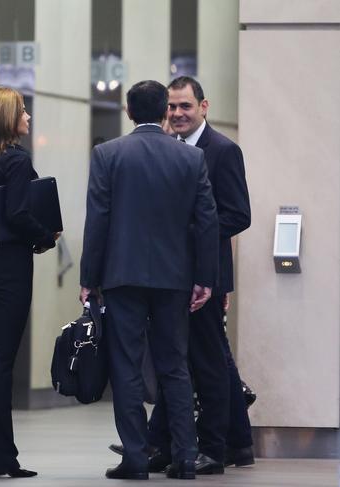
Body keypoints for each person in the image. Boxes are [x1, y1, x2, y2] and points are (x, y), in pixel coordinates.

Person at [80, 80, 219, 480]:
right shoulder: (191, 160)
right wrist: (205, 278)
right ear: (164, 114)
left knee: (126, 367)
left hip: (122, 277)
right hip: (175, 278)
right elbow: (206, 222)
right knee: (174, 366)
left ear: (128, 112)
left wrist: (90, 277)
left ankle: (136, 459)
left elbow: (98, 219)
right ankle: (186, 457)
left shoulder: (108, 154)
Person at [142, 76, 252, 474]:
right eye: (171, 107)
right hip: (169, 276)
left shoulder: (223, 151)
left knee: (207, 365)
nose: (177, 114)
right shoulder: (167, 149)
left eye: (185, 106)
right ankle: (164, 443)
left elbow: (239, 214)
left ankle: (214, 447)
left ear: (204, 107)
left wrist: (187, 229)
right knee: (175, 363)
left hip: (205, 275)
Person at [0, 86, 59, 478]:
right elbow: (20, 213)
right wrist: (47, 235)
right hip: (11, 267)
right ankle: (3, 457)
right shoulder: (18, 161)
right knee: (2, 362)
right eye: (23, 112)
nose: (28, 118)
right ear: (8, 119)